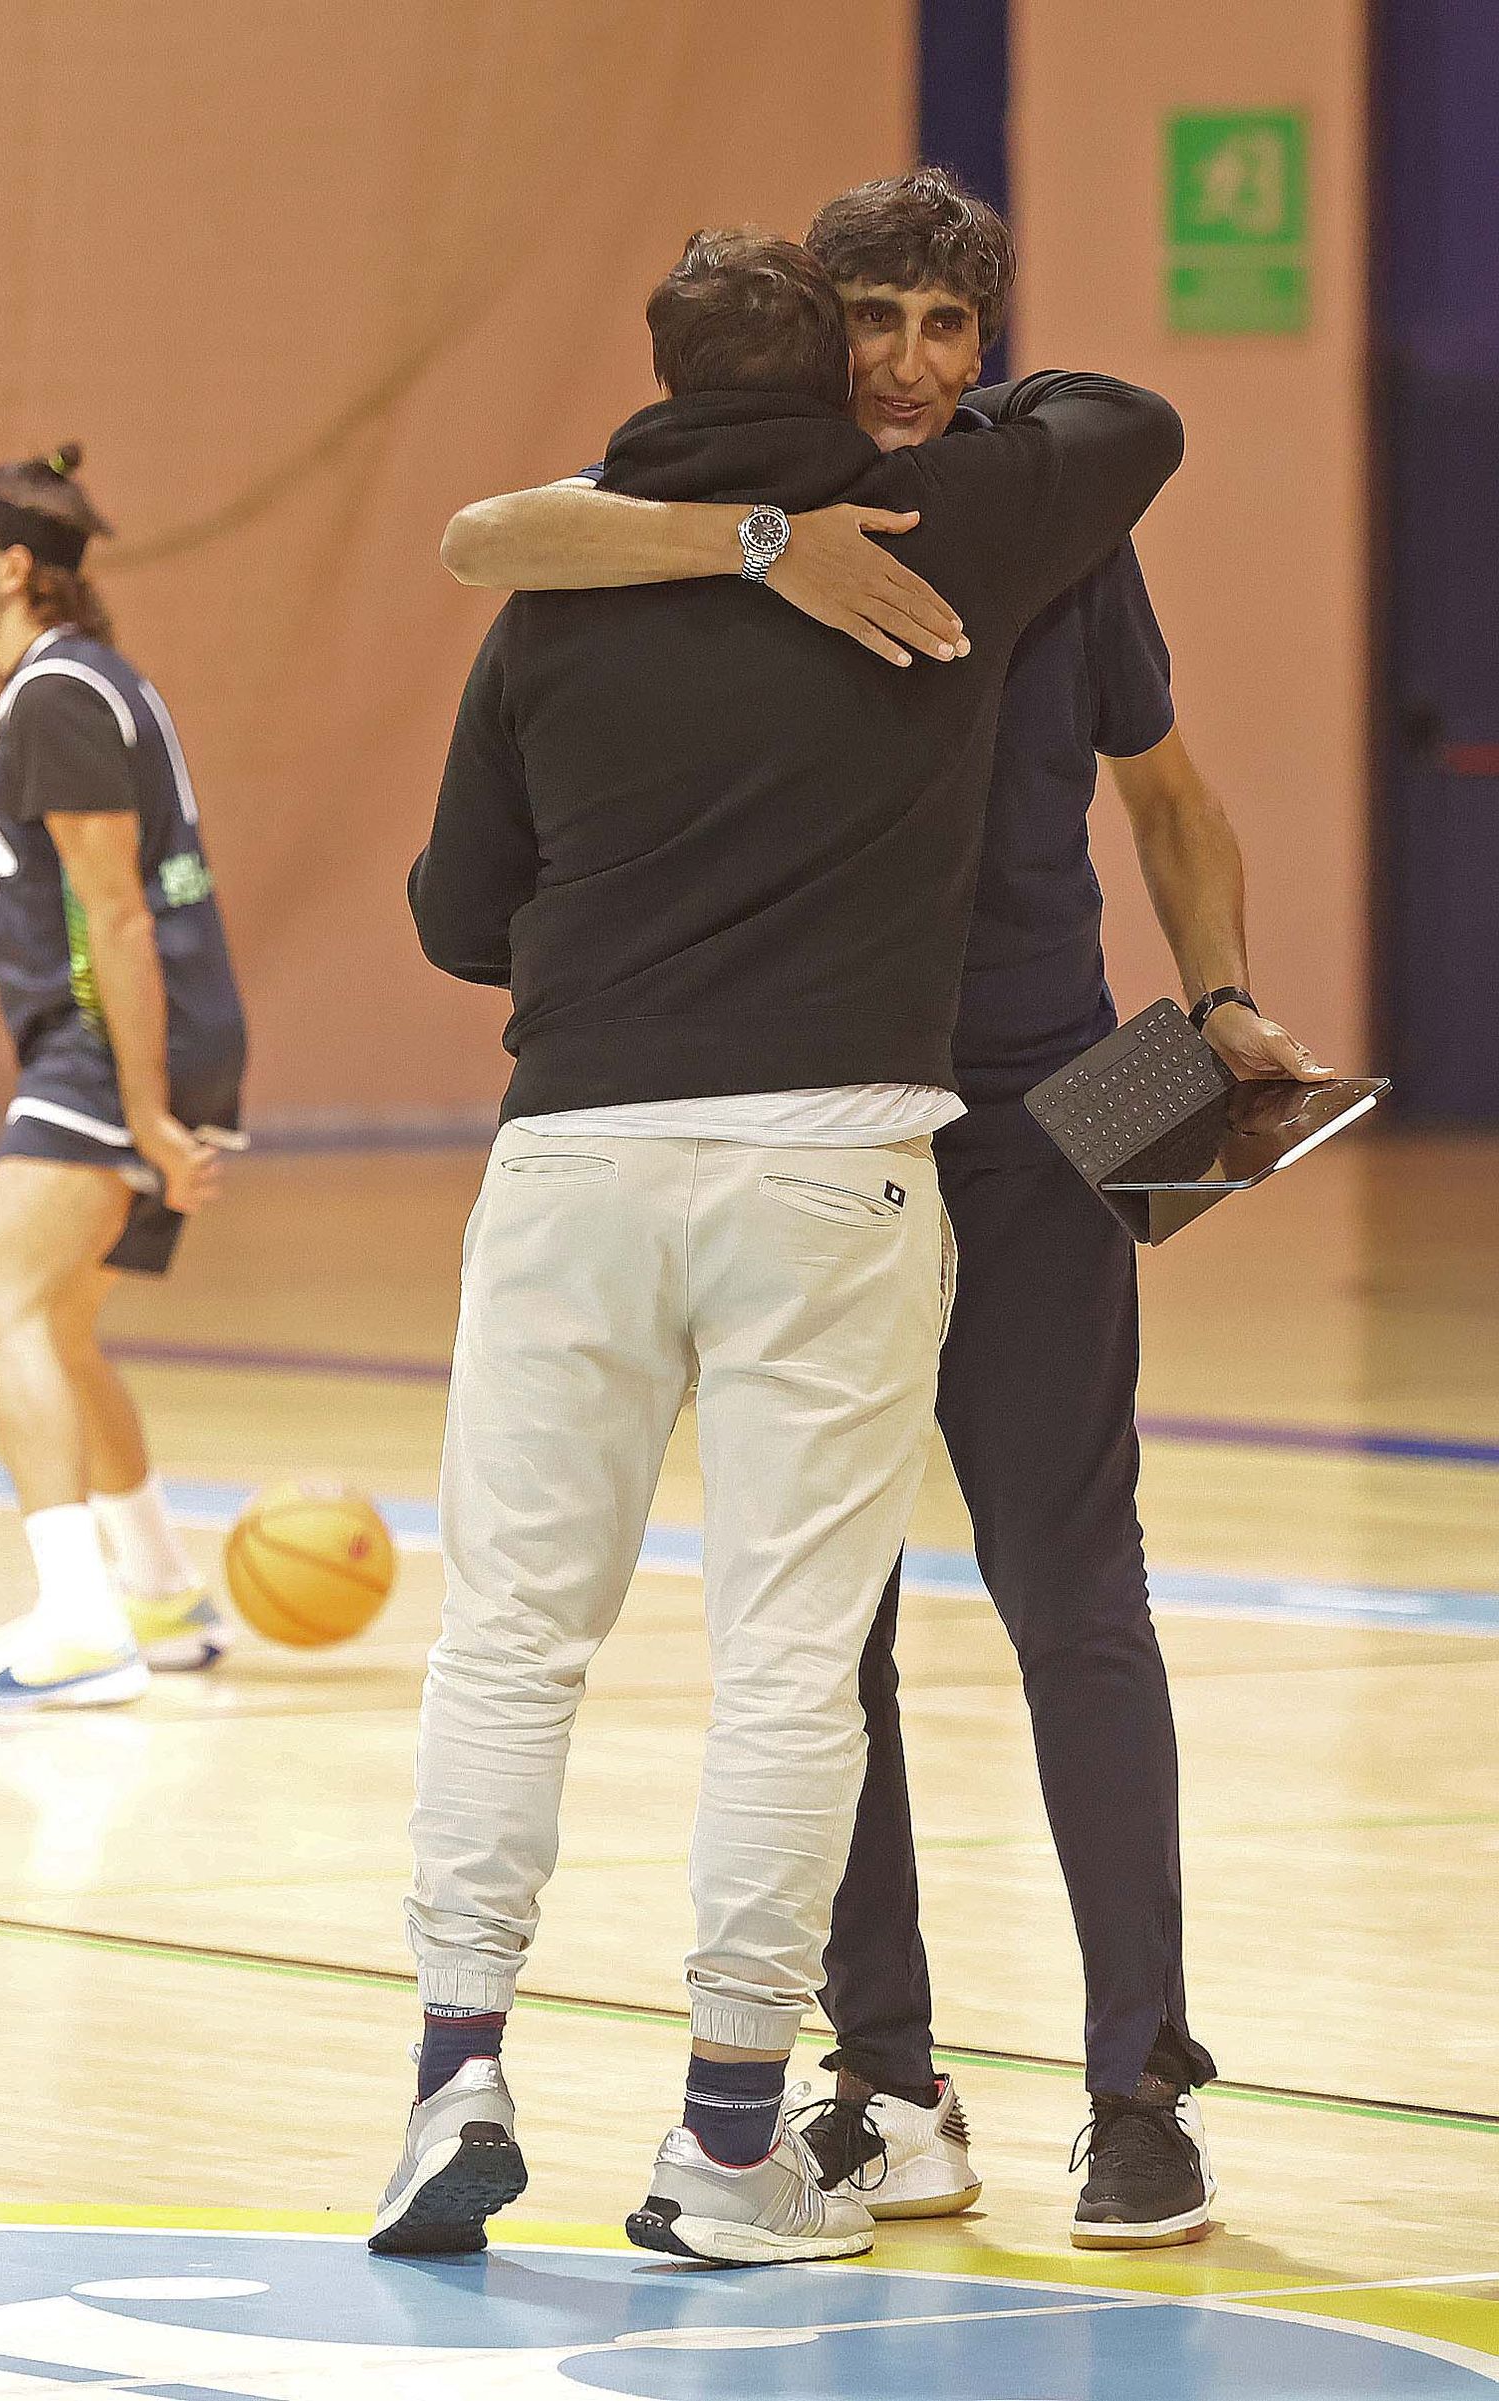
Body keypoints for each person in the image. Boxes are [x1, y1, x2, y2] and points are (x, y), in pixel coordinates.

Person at [436, 167, 1329, 2251]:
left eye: (948, 323)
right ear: (804, 334)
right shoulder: (671, 533)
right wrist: (746, 535)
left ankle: (1137, 2093)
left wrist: (1209, 1002)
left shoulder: (1031, 518)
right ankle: (885, 2084)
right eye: (873, 321)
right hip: (810, 1130)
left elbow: (1171, 800)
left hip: (1028, 1105)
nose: (911, 364)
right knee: (813, 1643)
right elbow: (493, 535)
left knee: (1066, 1592)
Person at [0, 444, 246, 1714]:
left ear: (13, 566)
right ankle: (157, 1591)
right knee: (53, 1320)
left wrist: (149, 1107)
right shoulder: (82, 684)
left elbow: (115, 915)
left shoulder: (57, 694)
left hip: (108, 1041)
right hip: (141, 1037)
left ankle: (76, 1625)